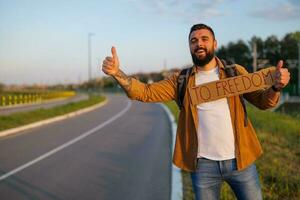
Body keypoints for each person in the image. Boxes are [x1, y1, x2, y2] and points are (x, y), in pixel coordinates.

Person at [101, 23, 290, 200]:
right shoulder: (180, 80)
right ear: (190, 47)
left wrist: (275, 88)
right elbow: (145, 93)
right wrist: (118, 73)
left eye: (204, 39)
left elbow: (263, 102)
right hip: (203, 167)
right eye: (194, 41)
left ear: (214, 43)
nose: (199, 43)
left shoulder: (235, 72)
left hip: (241, 161)